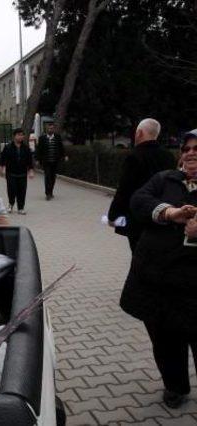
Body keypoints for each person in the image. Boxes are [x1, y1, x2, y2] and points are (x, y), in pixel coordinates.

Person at [119, 130, 197, 409]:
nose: (190, 153)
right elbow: (138, 201)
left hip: (193, 288)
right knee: (165, 341)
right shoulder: (165, 179)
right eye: (186, 148)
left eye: (196, 148)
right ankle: (175, 387)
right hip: (155, 283)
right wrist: (169, 213)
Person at [107, 118, 177, 251]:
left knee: (139, 255)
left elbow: (125, 189)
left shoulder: (134, 157)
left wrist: (113, 215)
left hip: (138, 217)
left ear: (139, 133)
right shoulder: (168, 156)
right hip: (162, 214)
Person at [0, 128, 34, 215]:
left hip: (22, 173)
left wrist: (31, 171)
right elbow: (2, 159)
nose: (21, 137)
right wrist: (1, 169)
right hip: (11, 173)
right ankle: (11, 204)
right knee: (11, 190)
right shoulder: (8, 147)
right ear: (14, 136)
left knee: (22, 191)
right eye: (19, 135)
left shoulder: (26, 148)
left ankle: (21, 208)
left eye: (22, 135)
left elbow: (30, 160)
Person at [36, 122, 68, 200]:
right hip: (46, 161)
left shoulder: (57, 137)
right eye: (49, 128)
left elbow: (61, 148)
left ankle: (51, 191)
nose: (50, 129)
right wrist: (37, 159)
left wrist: (65, 156)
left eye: (52, 128)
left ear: (54, 129)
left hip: (55, 160)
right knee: (47, 176)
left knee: (53, 177)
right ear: (46, 129)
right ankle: (47, 193)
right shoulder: (42, 138)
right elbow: (39, 150)